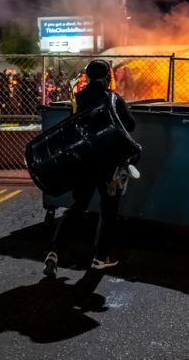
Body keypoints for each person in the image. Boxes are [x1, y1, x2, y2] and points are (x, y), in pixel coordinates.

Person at [43, 59, 136, 278]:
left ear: (88, 76)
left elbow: (73, 123)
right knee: (108, 209)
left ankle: (54, 251)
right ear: (107, 76)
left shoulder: (78, 98)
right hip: (108, 163)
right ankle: (100, 258)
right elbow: (130, 125)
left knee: (78, 206)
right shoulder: (113, 98)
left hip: (84, 162)